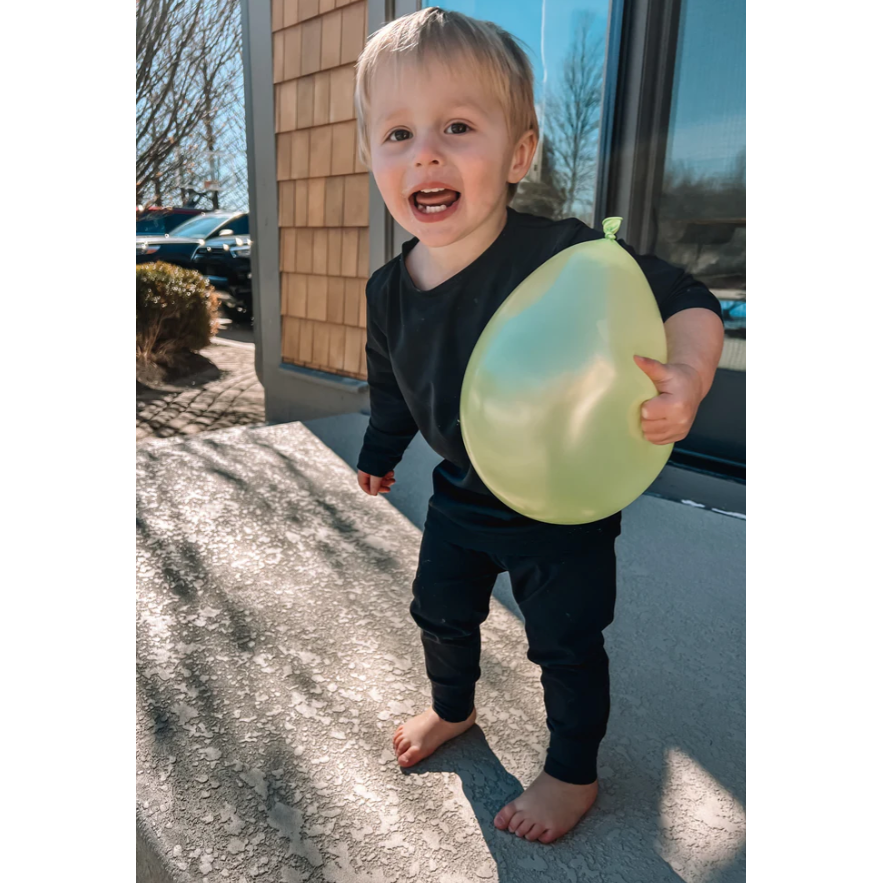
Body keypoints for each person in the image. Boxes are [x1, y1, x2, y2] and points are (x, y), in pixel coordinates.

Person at [352, 7, 724, 845]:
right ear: (373, 156)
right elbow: (393, 383)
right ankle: (453, 705)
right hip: (463, 490)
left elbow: (685, 298)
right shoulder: (387, 289)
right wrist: (381, 449)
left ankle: (572, 770)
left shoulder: (558, 252)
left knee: (564, 639)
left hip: (562, 501)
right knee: (438, 608)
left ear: (518, 155)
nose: (426, 153)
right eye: (398, 132)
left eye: (457, 126)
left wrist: (689, 374)